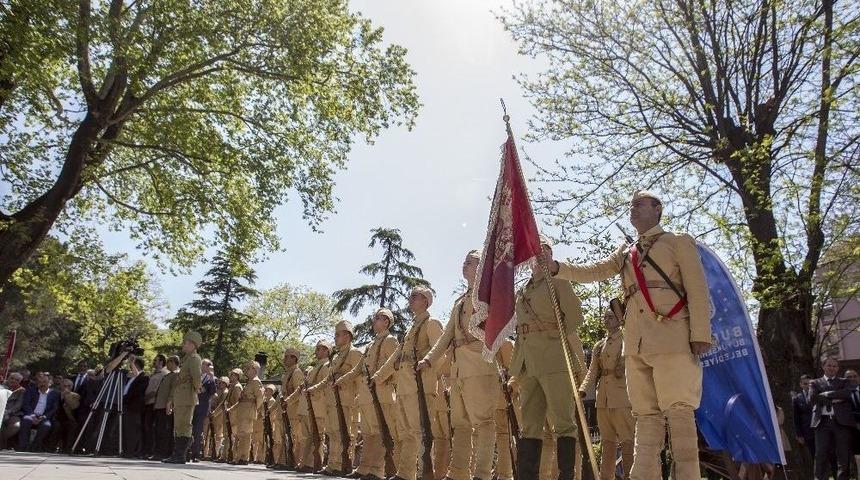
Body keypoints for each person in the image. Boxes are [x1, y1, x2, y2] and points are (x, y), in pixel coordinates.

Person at [546, 190, 712, 480]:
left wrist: (701, 333)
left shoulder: (677, 242)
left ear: (658, 209)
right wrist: (557, 268)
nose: (632, 209)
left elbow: (697, 289)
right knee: (646, 416)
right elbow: (595, 270)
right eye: (630, 205)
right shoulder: (626, 251)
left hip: (672, 336)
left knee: (679, 412)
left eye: (639, 204)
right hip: (635, 343)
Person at [510, 236, 587, 480]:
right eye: (535, 252)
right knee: (530, 426)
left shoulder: (559, 282)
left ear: (551, 257)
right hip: (528, 363)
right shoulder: (523, 291)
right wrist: (516, 369)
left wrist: (550, 331)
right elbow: (520, 332)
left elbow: (575, 318)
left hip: (554, 358)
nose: (539, 256)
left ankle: (566, 476)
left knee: (563, 422)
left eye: (545, 252)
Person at [418, 250, 499, 480]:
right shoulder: (460, 301)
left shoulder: (489, 294)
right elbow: (445, 338)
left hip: (479, 363)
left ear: (482, 267)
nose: (464, 265)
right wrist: (429, 360)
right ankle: (458, 474)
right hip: (459, 368)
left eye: (470, 262)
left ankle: (482, 474)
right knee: (460, 424)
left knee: (483, 421)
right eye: (463, 262)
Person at [376, 286, 444, 480]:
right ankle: (405, 473)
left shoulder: (431, 323)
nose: (410, 299)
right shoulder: (411, 328)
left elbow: (440, 353)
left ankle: (425, 474)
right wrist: (379, 377)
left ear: (426, 301)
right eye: (411, 296)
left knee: (422, 432)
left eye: (415, 296)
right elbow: (396, 358)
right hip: (406, 386)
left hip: (421, 386)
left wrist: (427, 369)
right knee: (407, 431)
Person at [338, 308, 399, 480]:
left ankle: (377, 470)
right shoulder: (371, 345)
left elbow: (393, 365)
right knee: (367, 433)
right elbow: (359, 369)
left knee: (379, 432)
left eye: (378, 318)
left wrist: (380, 379)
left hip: (381, 394)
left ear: (386, 321)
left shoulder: (390, 341)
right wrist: (342, 380)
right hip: (366, 395)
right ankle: (363, 468)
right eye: (374, 318)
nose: (374, 321)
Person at [580, 302, 635, 480]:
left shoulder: (628, 340)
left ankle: (630, 477)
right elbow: (592, 372)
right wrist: (581, 390)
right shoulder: (599, 345)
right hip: (603, 398)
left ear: (619, 319)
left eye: (610, 317)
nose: (606, 320)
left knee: (627, 443)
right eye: (604, 317)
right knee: (608, 444)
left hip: (622, 397)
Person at [315, 320, 361, 476]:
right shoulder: (337, 356)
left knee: (345, 433)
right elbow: (327, 379)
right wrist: (313, 389)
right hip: (333, 399)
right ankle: (332, 464)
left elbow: (358, 376)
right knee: (333, 433)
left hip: (347, 400)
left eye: (337, 335)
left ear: (347, 336)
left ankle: (343, 464)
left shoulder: (354, 353)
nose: (335, 338)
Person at [811, 356, 856, 480]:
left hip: (841, 422)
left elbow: (846, 394)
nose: (832, 368)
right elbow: (813, 398)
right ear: (823, 366)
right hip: (822, 422)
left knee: (843, 455)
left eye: (834, 366)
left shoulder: (844, 381)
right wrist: (836, 398)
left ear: (838, 368)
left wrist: (826, 394)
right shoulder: (815, 382)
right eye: (829, 365)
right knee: (821, 454)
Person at [163, 330, 203, 464]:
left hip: (187, 396)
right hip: (181, 396)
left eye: (185, 342)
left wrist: (197, 388)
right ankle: (177, 454)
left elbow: (197, 378)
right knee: (179, 426)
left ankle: (180, 455)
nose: (183, 345)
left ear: (192, 344)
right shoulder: (188, 359)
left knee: (184, 425)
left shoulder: (194, 359)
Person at [297, 341, 331, 473]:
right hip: (308, 406)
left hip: (318, 406)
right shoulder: (316, 367)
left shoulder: (327, 366)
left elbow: (324, 384)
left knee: (317, 436)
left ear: (327, 351)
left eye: (320, 349)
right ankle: (305, 462)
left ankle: (314, 463)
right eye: (317, 349)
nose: (317, 351)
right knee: (308, 437)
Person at [230, 360, 263, 465]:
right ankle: (240, 457)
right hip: (243, 411)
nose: (246, 370)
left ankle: (243, 457)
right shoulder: (250, 381)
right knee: (242, 434)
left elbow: (260, 397)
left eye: (248, 368)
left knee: (245, 435)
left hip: (248, 411)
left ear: (254, 369)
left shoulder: (256, 381)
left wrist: (254, 408)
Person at [19, 372, 61, 452]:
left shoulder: (54, 393)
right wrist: (32, 415)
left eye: (44, 382)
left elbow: (54, 408)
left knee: (46, 425)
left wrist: (44, 417)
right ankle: (23, 446)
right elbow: (26, 404)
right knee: (26, 420)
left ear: (49, 383)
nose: (42, 384)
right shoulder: (31, 390)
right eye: (40, 382)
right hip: (31, 415)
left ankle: (35, 446)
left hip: (44, 417)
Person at [280, 347, 305, 467]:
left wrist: (288, 401)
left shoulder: (297, 372)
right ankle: (284, 460)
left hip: (294, 410)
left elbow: (298, 392)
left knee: (295, 436)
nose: (284, 359)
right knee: (285, 435)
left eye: (287, 357)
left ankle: (294, 461)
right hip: (286, 408)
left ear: (294, 358)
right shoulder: (287, 373)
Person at [151, 355, 178, 460]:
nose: (166, 364)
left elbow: (173, 390)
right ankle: (158, 452)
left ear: (173, 362)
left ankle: (163, 453)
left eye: (168, 362)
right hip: (159, 406)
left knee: (165, 431)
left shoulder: (176, 375)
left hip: (166, 407)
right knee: (159, 430)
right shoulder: (168, 375)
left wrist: (169, 403)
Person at [121, 357, 149, 458]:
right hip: (127, 406)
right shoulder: (131, 377)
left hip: (135, 407)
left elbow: (137, 392)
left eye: (132, 365)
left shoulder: (144, 377)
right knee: (127, 429)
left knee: (133, 430)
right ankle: (127, 450)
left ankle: (132, 451)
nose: (130, 367)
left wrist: (126, 398)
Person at [191, 358, 216, 462]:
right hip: (192, 405)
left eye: (205, 365)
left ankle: (196, 454)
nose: (203, 366)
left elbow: (213, 392)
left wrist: (212, 378)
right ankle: (186, 451)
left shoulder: (211, 379)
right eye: (203, 364)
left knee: (197, 431)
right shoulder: (196, 376)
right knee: (189, 429)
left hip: (201, 408)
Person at [142, 354, 168, 459]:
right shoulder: (152, 373)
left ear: (161, 362)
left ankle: (152, 451)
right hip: (147, 403)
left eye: (156, 360)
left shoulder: (163, 374)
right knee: (146, 427)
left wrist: (147, 398)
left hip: (154, 403)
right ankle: (146, 450)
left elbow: (156, 390)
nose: (154, 362)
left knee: (152, 428)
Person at [793, 374, 816, 460]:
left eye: (809, 384)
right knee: (813, 454)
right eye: (805, 384)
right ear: (801, 384)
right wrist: (799, 435)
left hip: (820, 429)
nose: (807, 386)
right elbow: (796, 418)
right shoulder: (797, 398)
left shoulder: (818, 394)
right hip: (807, 431)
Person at [0, 372, 25, 449]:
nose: (13, 380)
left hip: (12, 414)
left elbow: (18, 406)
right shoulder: (1, 387)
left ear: (19, 382)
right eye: (12, 378)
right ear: (8, 378)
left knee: (16, 426)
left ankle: (1, 440)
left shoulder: (21, 391)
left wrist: (8, 412)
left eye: (17, 380)